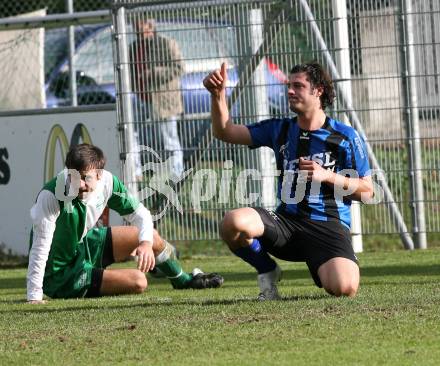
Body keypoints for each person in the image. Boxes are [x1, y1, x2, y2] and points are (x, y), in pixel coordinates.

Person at [203, 61, 373, 300]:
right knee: (232, 222)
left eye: (298, 86)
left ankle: (327, 264)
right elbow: (225, 131)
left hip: (328, 227)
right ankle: (267, 270)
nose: (290, 91)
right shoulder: (280, 129)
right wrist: (217, 95)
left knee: (345, 288)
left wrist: (327, 176)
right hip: (286, 224)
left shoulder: (344, 136)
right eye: (288, 86)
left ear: (318, 90)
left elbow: (368, 191)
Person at [26, 144, 223, 303]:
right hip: (60, 273)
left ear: (99, 175)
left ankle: (184, 281)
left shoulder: (108, 183)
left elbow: (142, 215)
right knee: (139, 282)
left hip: (85, 245)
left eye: (86, 178)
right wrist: (34, 295)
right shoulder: (51, 195)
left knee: (151, 237)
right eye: (73, 177)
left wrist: (145, 244)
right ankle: (95, 277)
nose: (80, 184)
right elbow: (40, 248)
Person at [131, 18, 184, 179]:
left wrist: (153, 73)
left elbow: (179, 67)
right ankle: (136, 172)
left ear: (149, 25)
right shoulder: (133, 47)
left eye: (139, 23)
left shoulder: (166, 43)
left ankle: (176, 172)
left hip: (163, 100)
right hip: (140, 98)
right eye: (134, 23)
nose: (135, 26)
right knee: (130, 134)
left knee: (169, 137)